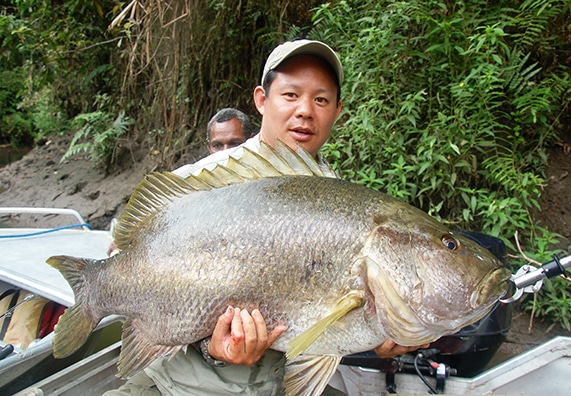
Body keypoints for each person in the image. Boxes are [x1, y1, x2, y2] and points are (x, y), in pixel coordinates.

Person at [106, 39, 427, 396]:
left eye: (321, 99)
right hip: (183, 385)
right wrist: (208, 347)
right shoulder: (205, 184)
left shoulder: (341, 199)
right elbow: (129, 259)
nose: (305, 110)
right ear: (262, 99)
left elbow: (324, 325)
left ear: (337, 110)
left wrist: (380, 332)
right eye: (291, 95)